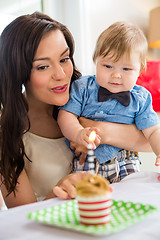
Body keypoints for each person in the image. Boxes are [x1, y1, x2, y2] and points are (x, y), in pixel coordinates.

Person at [0, 13, 151, 209]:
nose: (61, 75)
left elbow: (148, 141)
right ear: (18, 71)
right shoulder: (7, 135)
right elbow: (20, 219)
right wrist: (60, 189)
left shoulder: (88, 98)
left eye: (64, 59)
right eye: (43, 66)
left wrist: (98, 130)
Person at [58, 21, 160, 183]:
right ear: (95, 61)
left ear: (139, 70)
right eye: (108, 66)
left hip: (126, 161)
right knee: (84, 199)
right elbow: (66, 115)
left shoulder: (141, 98)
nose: (116, 75)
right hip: (86, 162)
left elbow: (153, 131)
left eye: (126, 69)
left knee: (133, 197)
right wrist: (77, 132)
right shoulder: (83, 87)